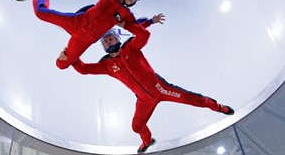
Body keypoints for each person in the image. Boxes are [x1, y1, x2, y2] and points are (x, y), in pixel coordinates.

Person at [58, 15, 235, 154]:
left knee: (196, 100)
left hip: (162, 89)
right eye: (105, 41)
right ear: (103, 47)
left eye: (111, 39)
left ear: (117, 40)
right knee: (136, 127)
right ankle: (147, 141)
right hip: (144, 100)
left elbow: (144, 34)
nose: (108, 41)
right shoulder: (107, 65)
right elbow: (83, 69)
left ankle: (218, 107)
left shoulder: (130, 48)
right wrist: (70, 56)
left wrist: (127, 24)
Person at [14, 0, 154, 70]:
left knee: (61, 65)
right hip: (76, 21)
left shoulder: (125, 14)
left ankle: (68, 56)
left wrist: (147, 22)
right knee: (40, 13)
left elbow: (139, 29)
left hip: (83, 40)